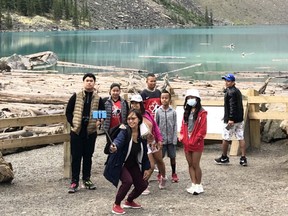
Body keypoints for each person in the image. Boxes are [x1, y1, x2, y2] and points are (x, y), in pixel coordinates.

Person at [104, 109, 152, 215]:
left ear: (139, 119)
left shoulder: (142, 134)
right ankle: (116, 204)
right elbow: (119, 140)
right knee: (128, 181)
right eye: (129, 119)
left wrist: (146, 168)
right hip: (119, 162)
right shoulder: (125, 131)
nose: (130, 121)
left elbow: (143, 153)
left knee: (143, 184)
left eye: (133, 118)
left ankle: (129, 201)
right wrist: (114, 146)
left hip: (132, 163)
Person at [65, 73, 105, 193]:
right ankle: (74, 181)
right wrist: (73, 123)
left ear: (94, 83)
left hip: (90, 132)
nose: (89, 82)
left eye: (91, 81)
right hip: (77, 131)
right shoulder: (76, 96)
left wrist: (98, 120)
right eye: (87, 80)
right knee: (76, 157)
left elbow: (102, 112)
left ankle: (86, 179)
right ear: (83, 82)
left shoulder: (98, 98)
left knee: (88, 156)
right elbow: (68, 111)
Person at [130, 94, 167, 193]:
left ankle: (163, 177)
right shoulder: (131, 117)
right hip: (143, 143)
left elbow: (155, 127)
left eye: (137, 103)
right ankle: (143, 184)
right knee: (149, 165)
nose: (134, 105)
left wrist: (159, 139)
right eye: (132, 103)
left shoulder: (147, 113)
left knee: (159, 160)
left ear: (141, 104)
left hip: (153, 141)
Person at [214, 74, 248, 166]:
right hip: (239, 119)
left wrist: (230, 118)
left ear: (233, 82)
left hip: (232, 120)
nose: (226, 82)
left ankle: (224, 157)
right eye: (225, 80)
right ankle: (243, 158)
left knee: (225, 138)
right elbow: (238, 106)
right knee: (240, 137)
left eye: (228, 81)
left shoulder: (230, 92)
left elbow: (232, 106)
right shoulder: (237, 91)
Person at [179, 89, 207, 195]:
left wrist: (196, 139)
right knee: (190, 164)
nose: (191, 100)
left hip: (196, 141)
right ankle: (193, 184)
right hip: (187, 140)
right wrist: (182, 136)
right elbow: (183, 126)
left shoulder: (202, 113)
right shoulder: (186, 112)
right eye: (189, 98)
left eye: (193, 97)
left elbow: (202, 129)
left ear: (197, 99)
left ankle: (199, 184)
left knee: (196, 164)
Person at [155, 90, 179, 183]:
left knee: (172, 157)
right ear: (160, 99)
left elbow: (174, 125)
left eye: (166, 98)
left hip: (171, 139)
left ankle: (174, 173)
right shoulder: (158, 111)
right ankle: (160, 173)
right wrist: (157, 139)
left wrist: (174, 138)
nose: (164, 100)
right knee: (160, 158)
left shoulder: (173, 112)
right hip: (161, 140)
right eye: (162, 98)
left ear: (170, 100)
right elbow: (155, 125)